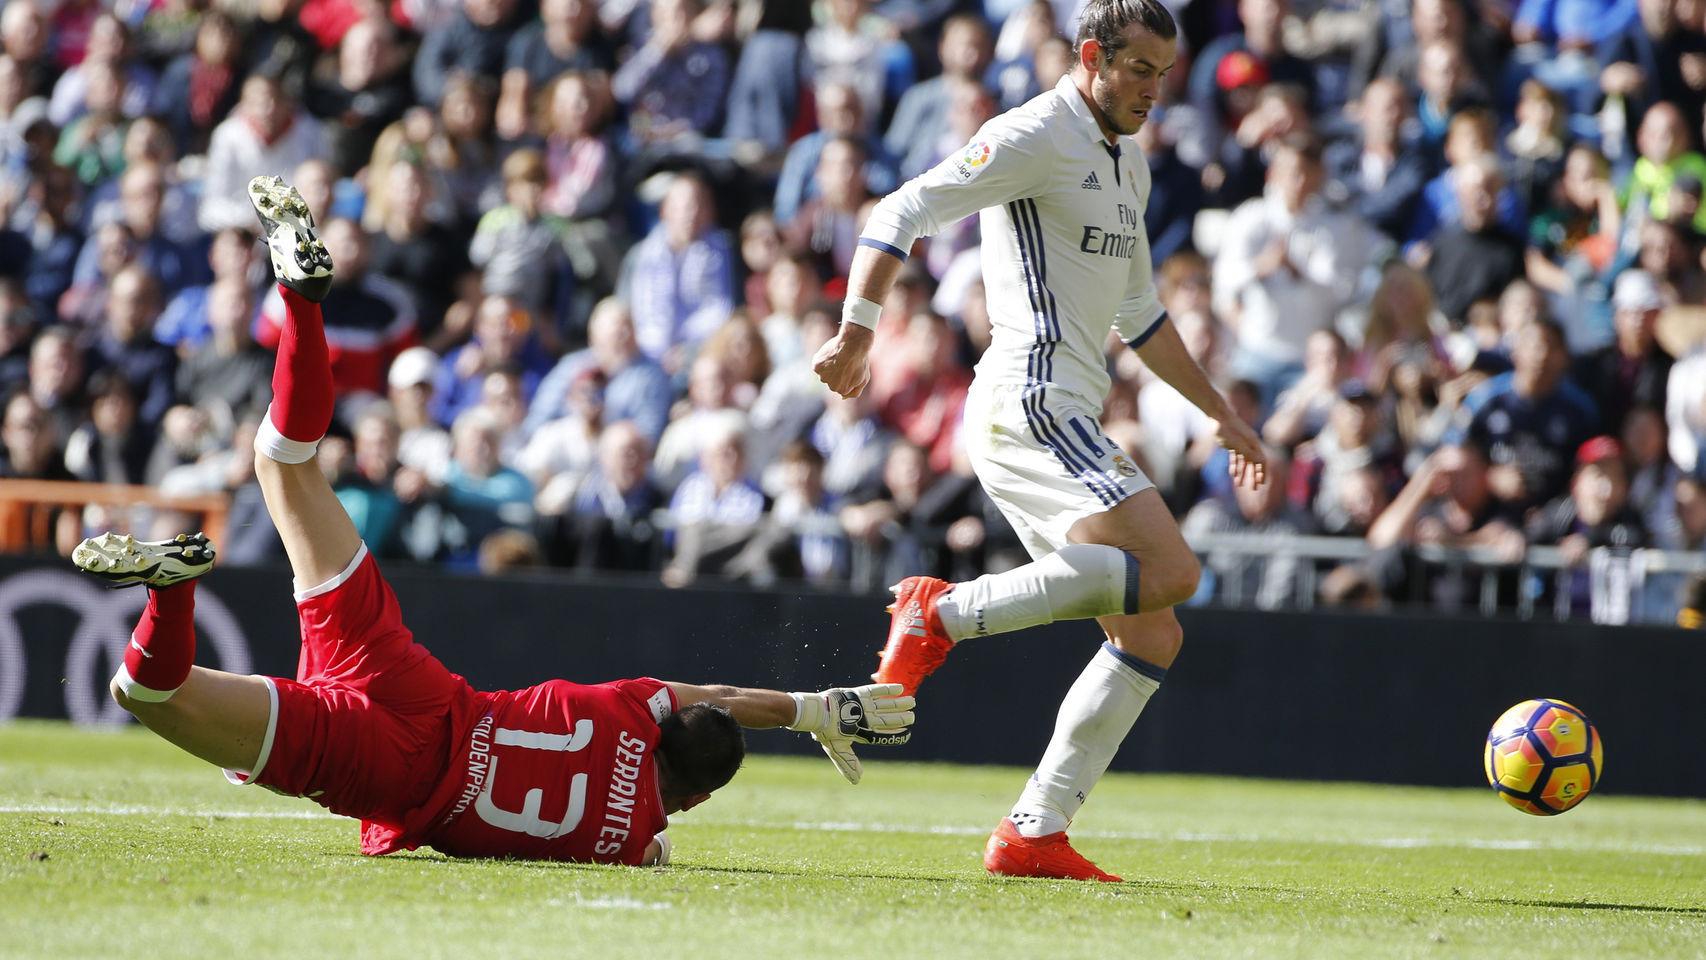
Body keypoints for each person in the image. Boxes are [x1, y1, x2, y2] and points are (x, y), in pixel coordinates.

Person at [73, 174, 914, 870]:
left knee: (281, 462)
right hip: (386, 770)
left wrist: (817, 707)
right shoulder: (629, 844)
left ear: (664, 724)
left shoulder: (631, 706)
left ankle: (300, 304)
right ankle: (168, 591)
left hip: (421, 688)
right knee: (150, 694)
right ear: (691, 800)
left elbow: (725, 698)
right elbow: (655, 827)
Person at [812, 0, 1267, 882]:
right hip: (1028, 402)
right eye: (1138, 70)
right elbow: (901, 207)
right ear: (1091, 55)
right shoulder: (1033, 133)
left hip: (1065, 413)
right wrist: (859, 327)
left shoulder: (1125, 164)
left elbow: (1141, 315)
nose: (1152, 91)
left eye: (1164, 75)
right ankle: (937, 613)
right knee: (1175, 571)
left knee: (1152, 632)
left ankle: (1034, 830)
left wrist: (1222, 412)